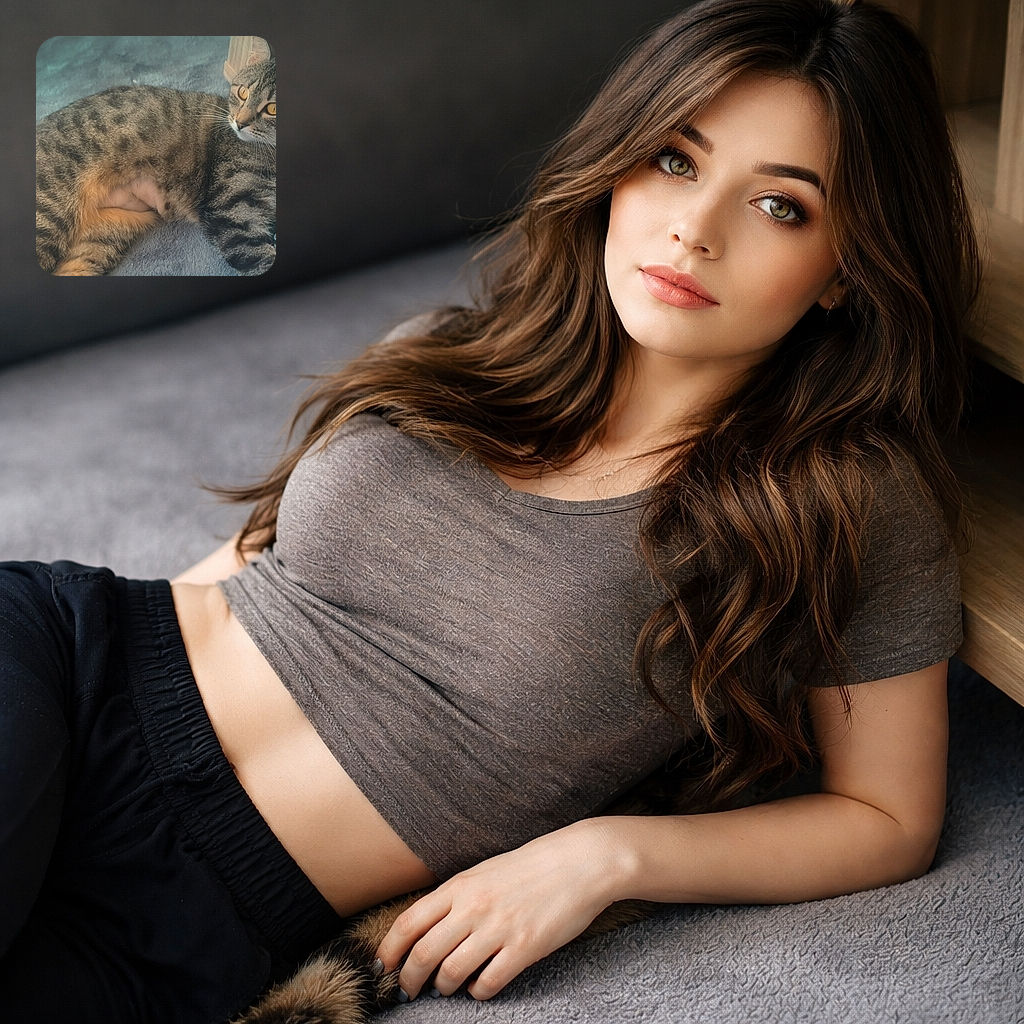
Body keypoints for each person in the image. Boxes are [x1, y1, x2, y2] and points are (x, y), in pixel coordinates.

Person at [0, 0, 980, 1020]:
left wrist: (608, 856)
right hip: (66, 668)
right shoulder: (466, 349)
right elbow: (252, 559)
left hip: (198, 914)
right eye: (674, 160)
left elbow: (886, 814)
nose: (693, 227)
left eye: (781, 206)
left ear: (843, 273)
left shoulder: (842, 501)